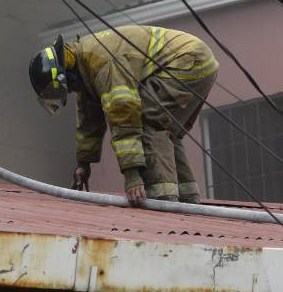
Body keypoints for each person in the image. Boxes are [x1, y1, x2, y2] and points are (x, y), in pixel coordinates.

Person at [29, 25, 218, 206]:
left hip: (188, 61)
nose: (70, 91)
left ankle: (164, 201)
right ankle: (188, 197)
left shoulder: (103, 63)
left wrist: (132, 177)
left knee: (147, 121)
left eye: (66, 87)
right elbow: (89, 119)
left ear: (65, 75)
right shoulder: (85, 61)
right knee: (163, 128)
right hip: (198, 60)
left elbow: (124, 116)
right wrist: (83, 164)